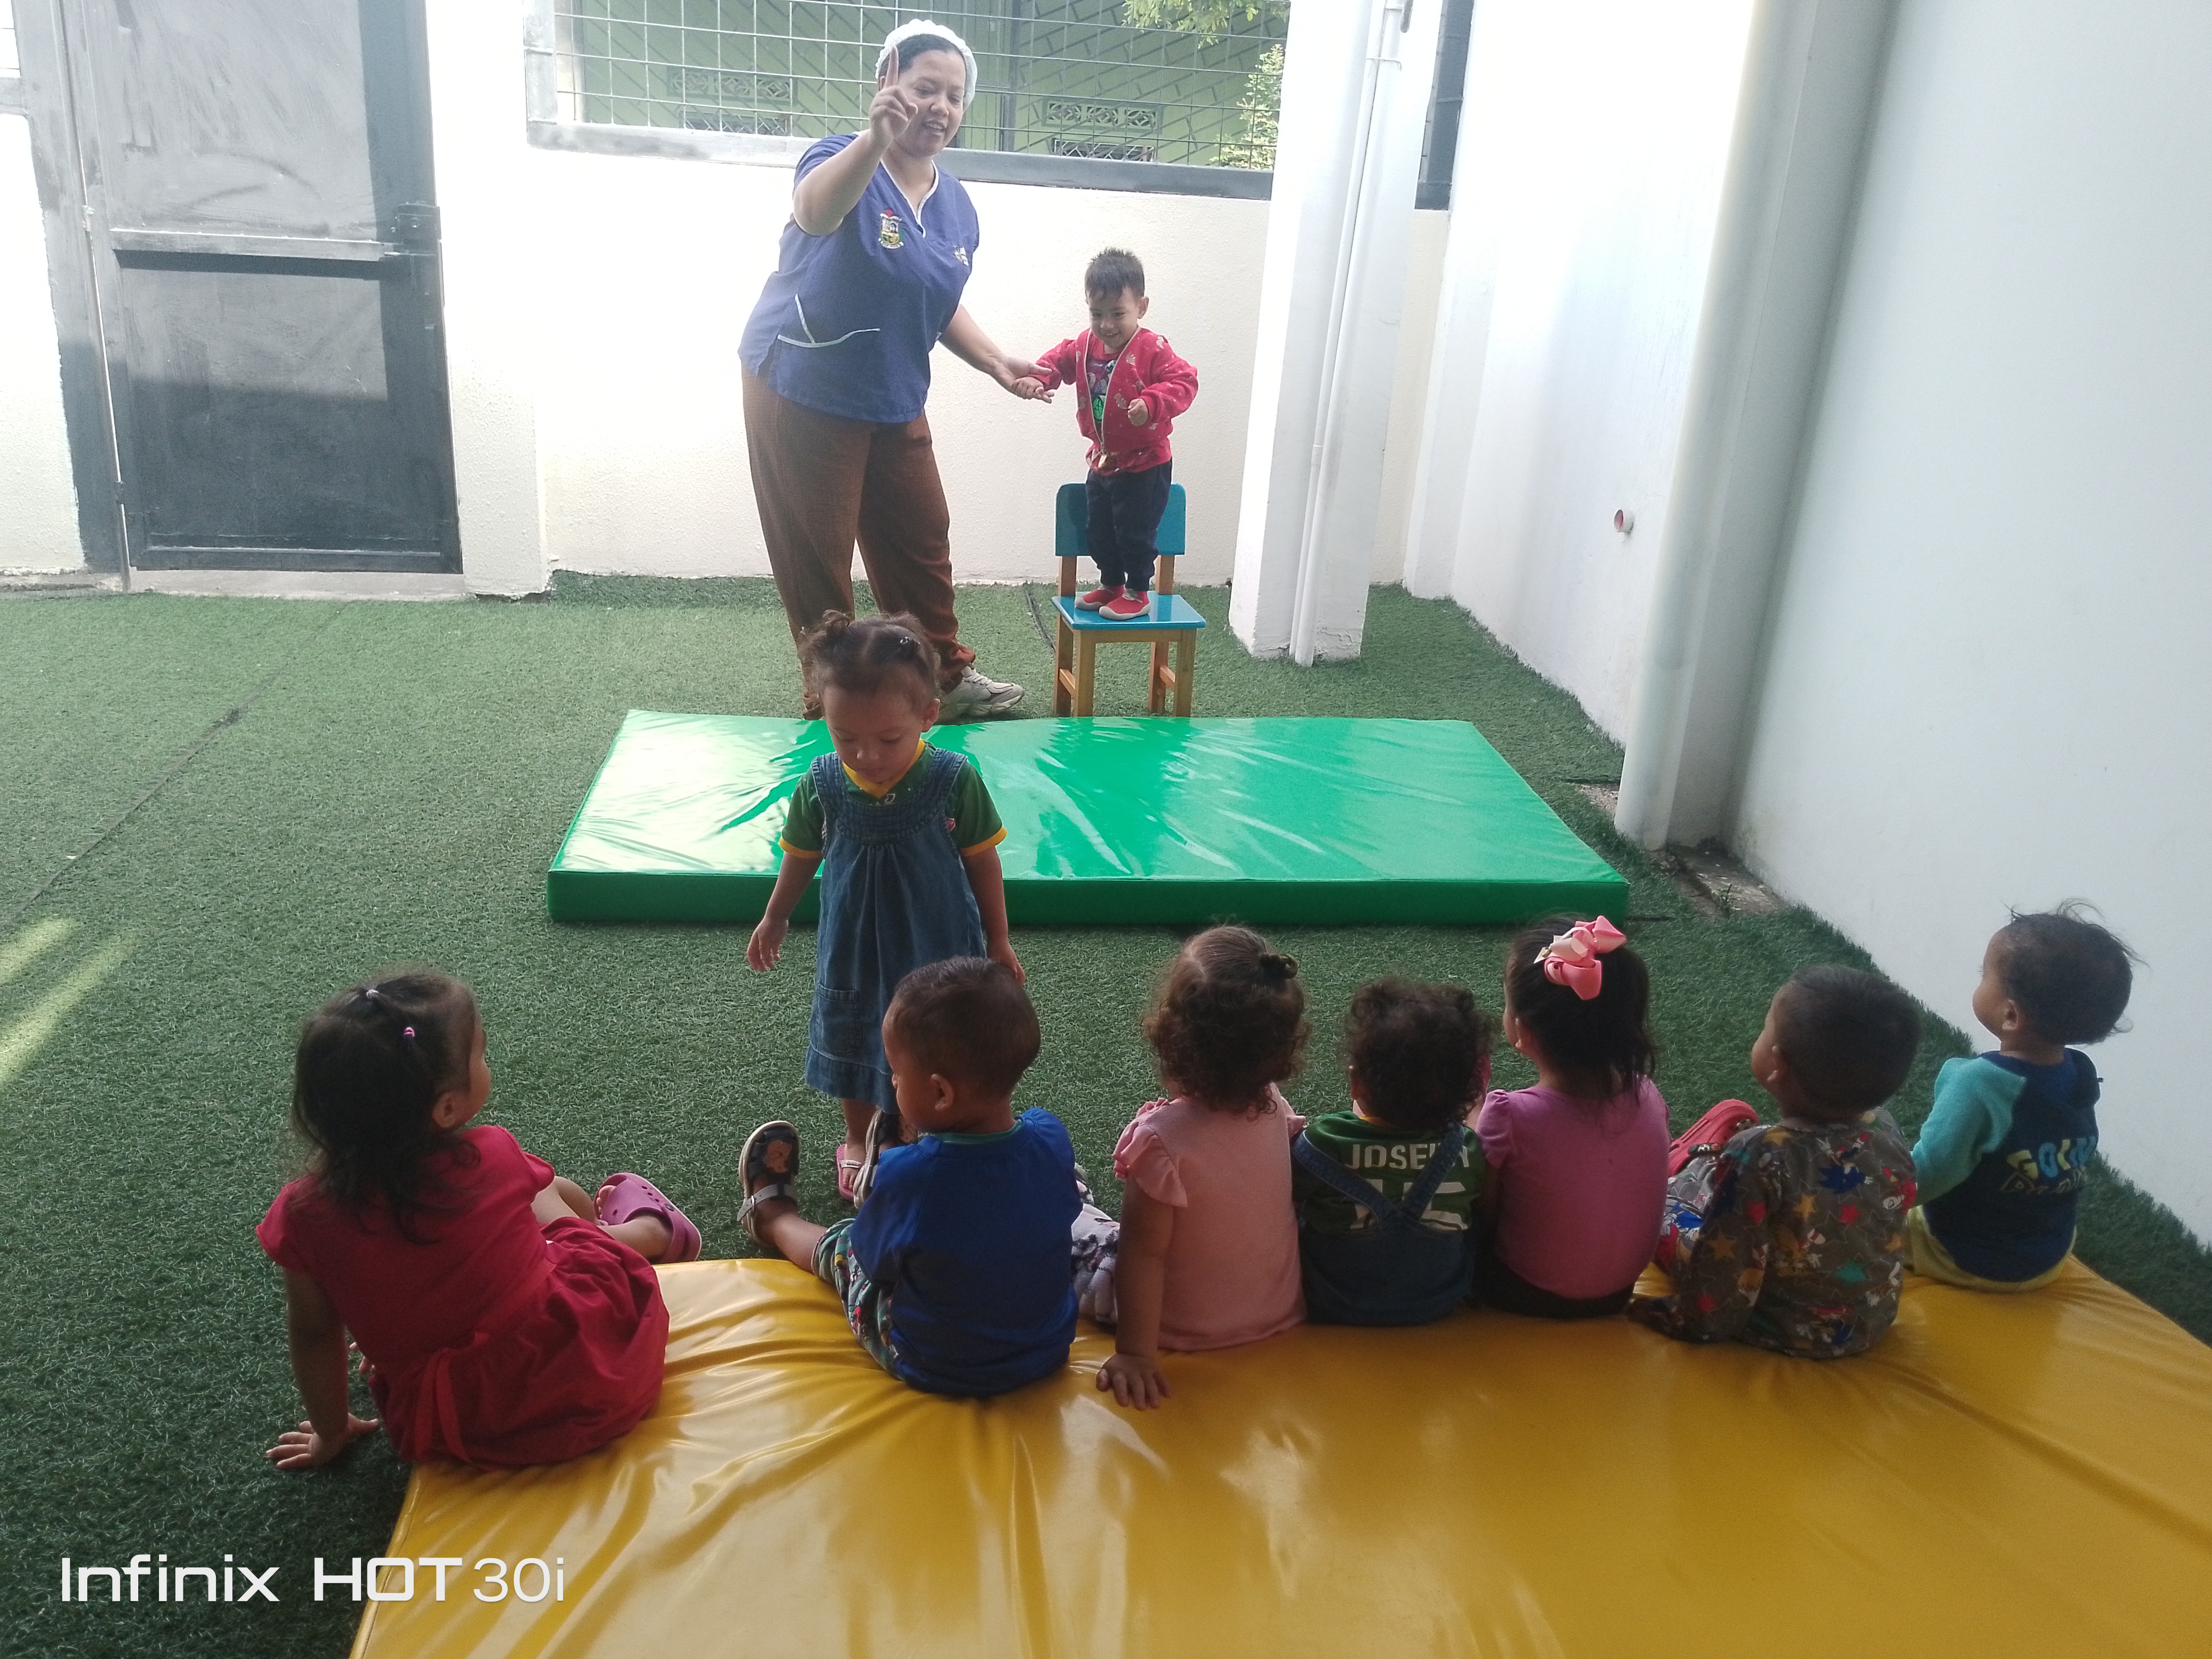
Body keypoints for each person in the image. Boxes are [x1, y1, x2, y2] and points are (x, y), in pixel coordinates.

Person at [258, 973, 689, 1470]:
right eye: (481, 1055)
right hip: (600, 1371)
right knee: (548, 1190)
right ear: (446, 1107)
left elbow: (314, 1332)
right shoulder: (491, 1154)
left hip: (464, 1428)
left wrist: (330, 1434)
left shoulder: (302, 1215)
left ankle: (607, 1237)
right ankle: (645, 1234)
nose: (486, 1063)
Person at [738, 19, 1035, 720]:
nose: (940, 107)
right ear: (886, 83)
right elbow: (815, 214)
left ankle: (943, 680)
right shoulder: (838, 156)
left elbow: (935, 298)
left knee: (921, 537)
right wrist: (874, 140)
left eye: (954, 97)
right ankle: (833, 697)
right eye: (925, 88)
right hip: (803, 386)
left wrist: (996, 361)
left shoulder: (956, 206)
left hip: (893, 391)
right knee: (818, 555)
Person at [747, 613, 1020, 1204]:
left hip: (938, 945)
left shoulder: (952, 779)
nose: (866, 754)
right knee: (854, 1029)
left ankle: (936, 1132)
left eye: (888, 739)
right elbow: (800, 856)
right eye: (844, 737)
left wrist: (998, 940)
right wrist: (775, 915)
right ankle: (859, 1136)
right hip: (854, 947)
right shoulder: (822, 783)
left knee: (944, 1036)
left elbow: (983, 862)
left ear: (928, 716)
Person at [734, 959, 1080, 1398]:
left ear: (940, 1093)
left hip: (936, 1363)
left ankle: (772, 1218)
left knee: (843, 1244)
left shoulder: (916, 1178)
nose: (892, 1082)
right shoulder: (1051, 1136)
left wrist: (899, 1186)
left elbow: (873, 1263)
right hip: (1046, 1348)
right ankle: (894, 1160)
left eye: (897, 1074)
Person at [1631, 966, 1921, 1358]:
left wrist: (1678, 1317)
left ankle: (1689, 1163)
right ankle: (1705, 1160)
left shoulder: (1761, 1152)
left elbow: (1723, 1273)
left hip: (1778, 1325)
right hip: (1867, 1323)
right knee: (1729, 1177)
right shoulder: (1886, 1128)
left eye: (1765, 1028)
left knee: (1663, 1205)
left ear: (1777, 1064)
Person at [1093, 927, 1308, 1410]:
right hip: (1276, 1314)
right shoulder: (1274, 1107)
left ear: (1173, 1041)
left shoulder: (1161, 1142)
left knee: (1079, 1235)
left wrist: (1135, 1354)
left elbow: (1141, 1254)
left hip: (1180, 1328)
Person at [1908, 906, 2135, 1291]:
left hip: (1964, 1258)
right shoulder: (2079, 1071)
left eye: (1984, 975)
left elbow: (1927, 1175)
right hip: (2048, 1257)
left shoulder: (1979, 1084)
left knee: (1859, 1218)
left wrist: (1869, 1195)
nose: (1980, 981)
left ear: (2011, 1016)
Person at [1473, 917, 1669, 1318]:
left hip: (1522, 1291)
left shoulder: (1509, 1114)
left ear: (1521, 1029)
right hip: (1618, 1291)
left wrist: (1471, 1114)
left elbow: (1482, 1213)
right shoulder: (1648, 1093)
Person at [1291, 979, 1494, 1325]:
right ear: (1465, 1092)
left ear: (1356, 1083)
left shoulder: (1322, 1141)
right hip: (1437, 1300)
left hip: (1335, 1301)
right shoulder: (1465, 1147)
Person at [1013, 247, 1199, 621]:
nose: (1107, 324)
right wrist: (1038, 378)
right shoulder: (1085, 345)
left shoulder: (1153, 348)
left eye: (1118, 313)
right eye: (1097, 314)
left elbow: (1185, 381)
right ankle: (1112, 584)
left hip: (1146, 465)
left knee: (1134, 533)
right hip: (1103, 461)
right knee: (1099, 529)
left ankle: (1137, 592)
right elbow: (1058, 361)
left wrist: (1152, 402)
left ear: (1141, 307)